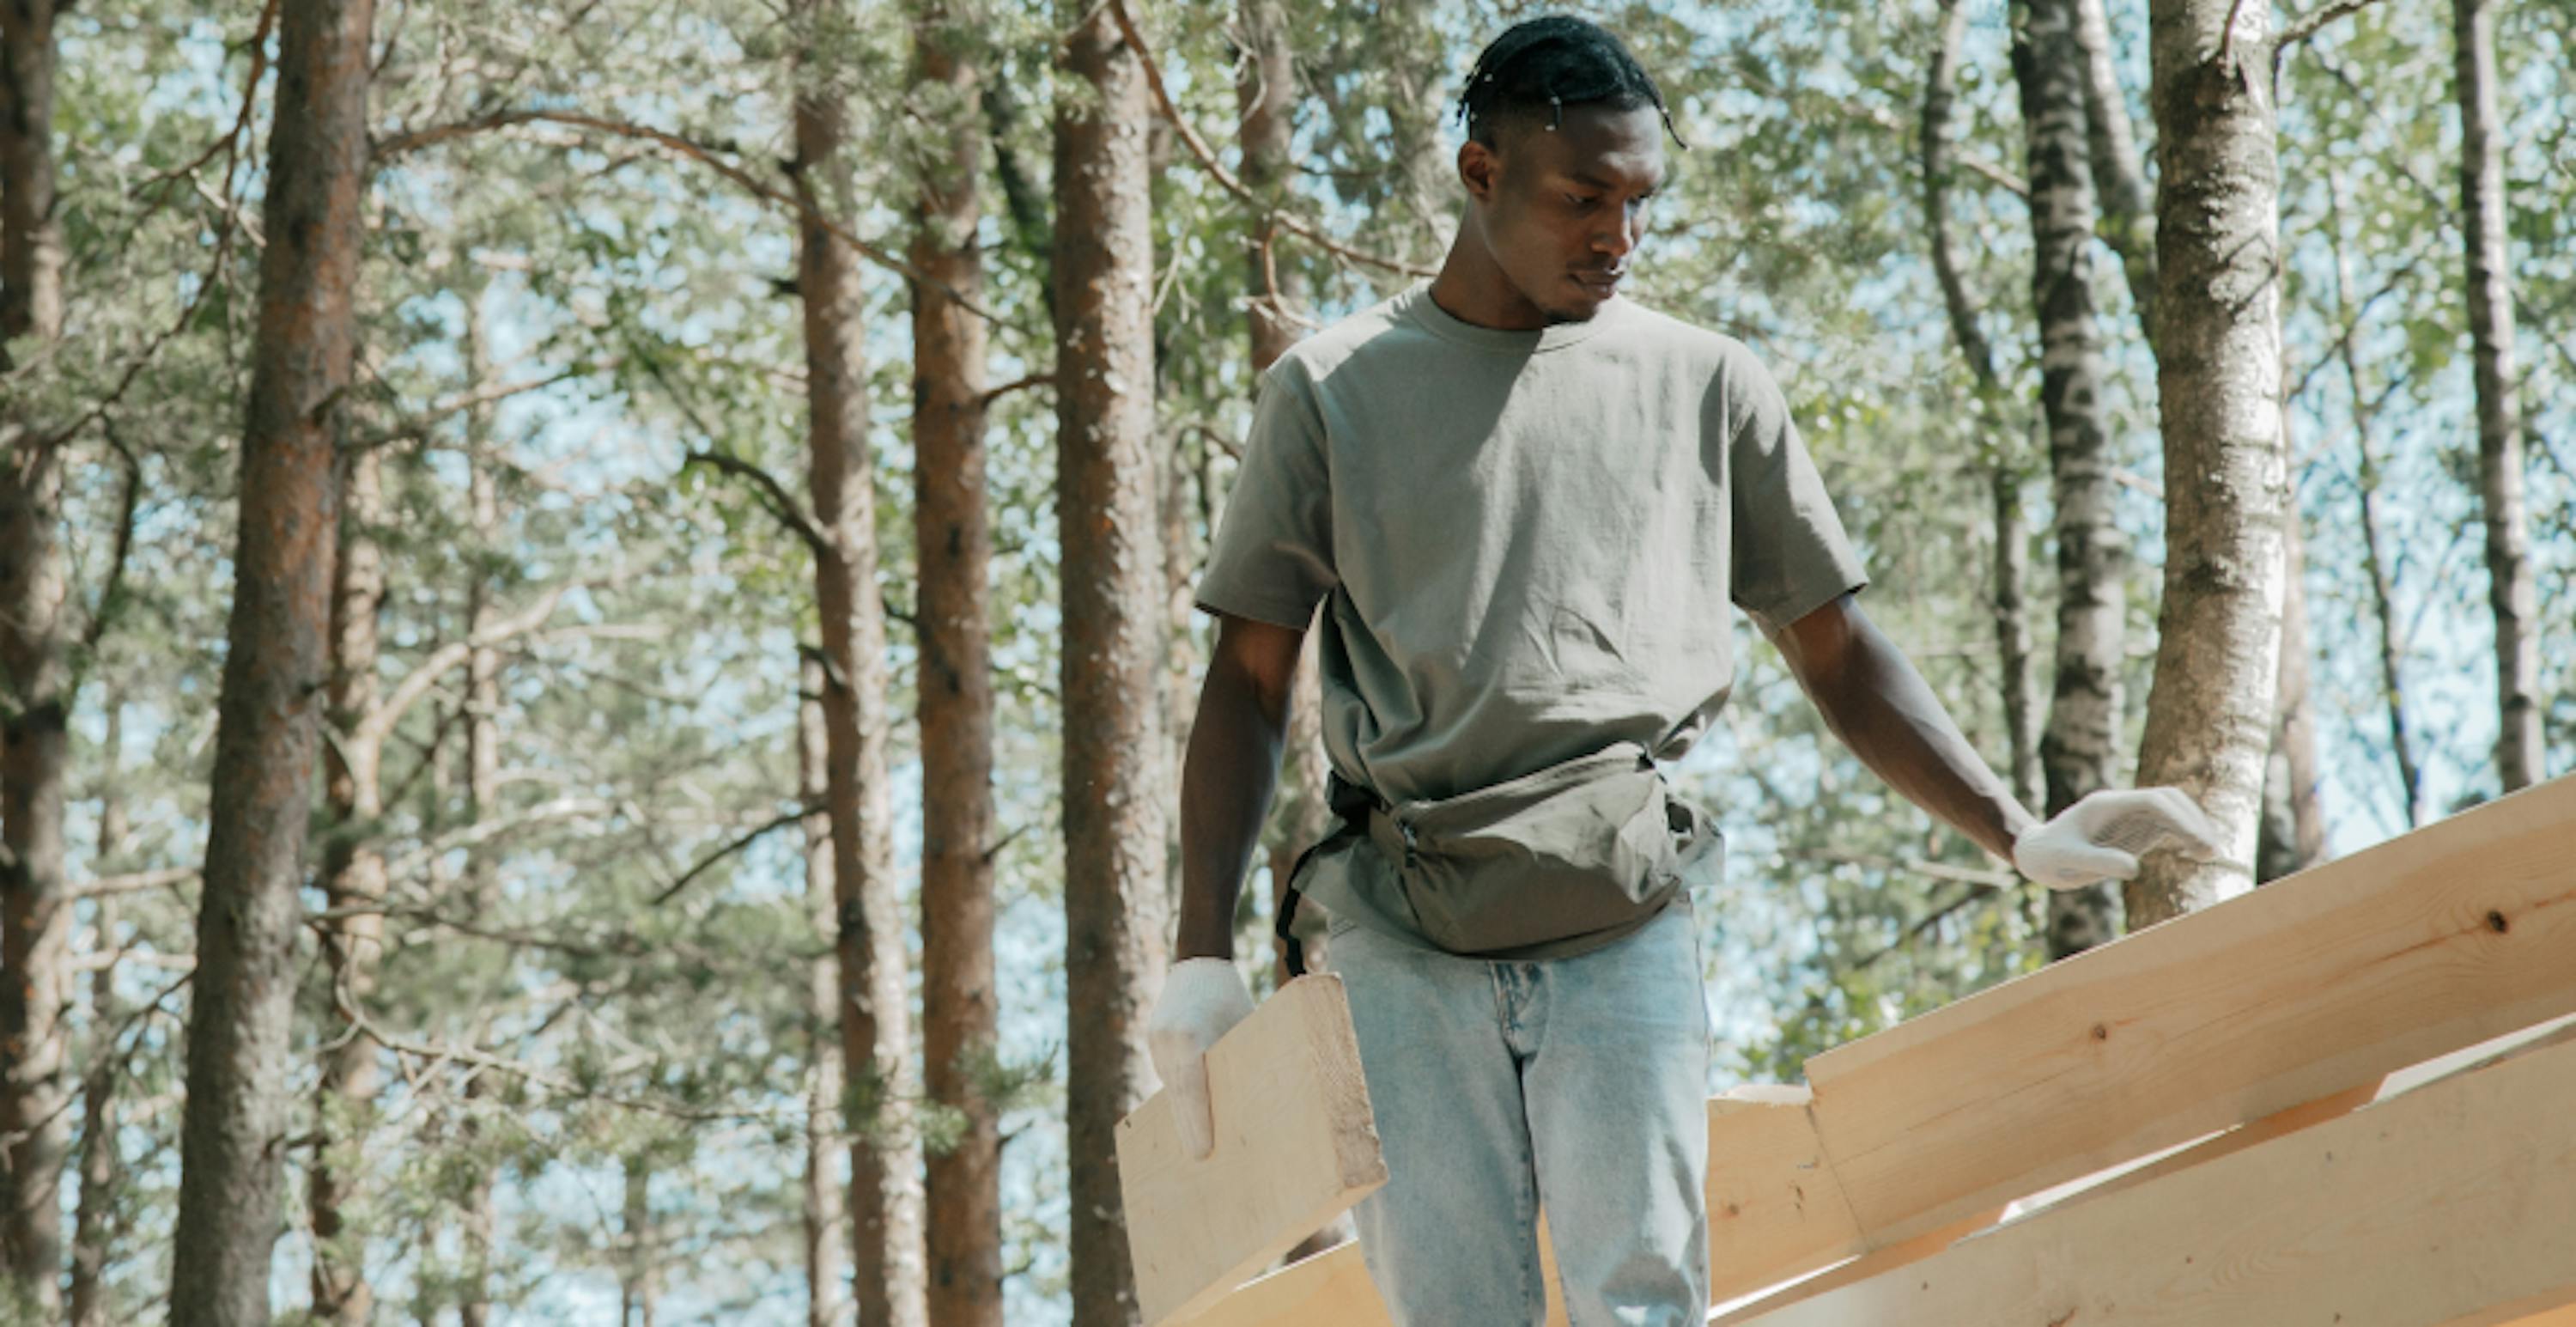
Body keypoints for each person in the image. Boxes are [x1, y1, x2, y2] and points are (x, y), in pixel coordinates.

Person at [1148, 15, 2220, 1325]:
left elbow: (1836, 650)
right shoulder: (1330, 392)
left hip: (1624, 916)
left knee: (1642, 1303)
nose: (1616, 235)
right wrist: (1201, 954)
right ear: (1479, 174)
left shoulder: (1707, 385)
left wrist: (2012, 827)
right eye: (1580, 198)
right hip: (1399, 930)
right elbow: (1250, 681)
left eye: (1638, 200)